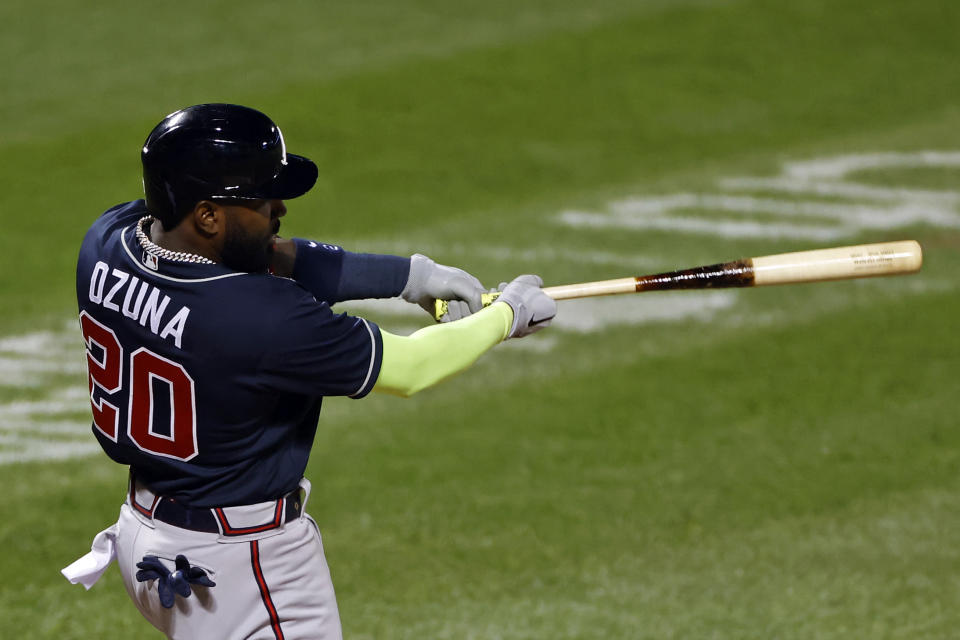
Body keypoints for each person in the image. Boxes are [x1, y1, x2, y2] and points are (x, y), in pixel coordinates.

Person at [61, 103, 556, 639]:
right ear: (207, 215)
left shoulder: (106, 242)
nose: (279, 207)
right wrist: (505, 317)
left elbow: (266, 254)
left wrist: (410, 277)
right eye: (261, 197)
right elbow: (411, 367)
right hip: (238, 567)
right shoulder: (260, 320)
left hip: (151, 539)